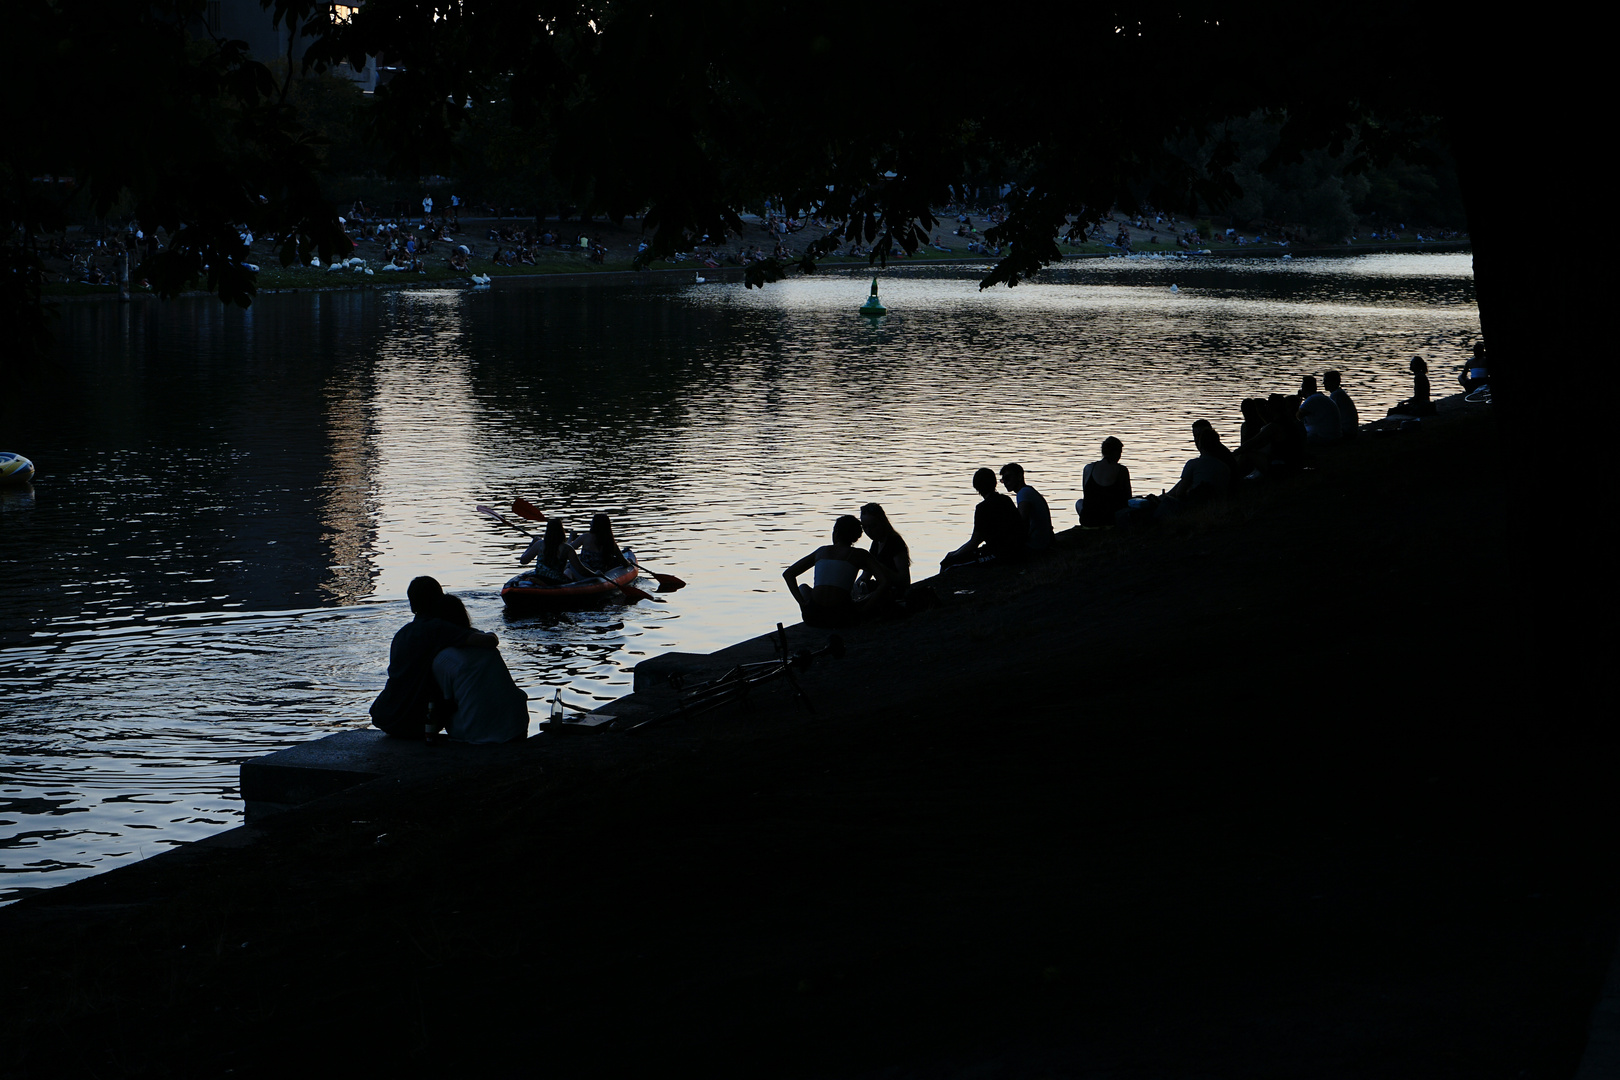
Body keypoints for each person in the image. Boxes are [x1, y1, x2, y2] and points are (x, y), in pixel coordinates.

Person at [369, 576, 498, 739]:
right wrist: (488, 634)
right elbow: (488, 642)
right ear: (440, 600)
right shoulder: (439, 629)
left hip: (385, 715)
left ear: (411, 605)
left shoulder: (401, 634)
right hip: (418, 721)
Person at [430, 595, 528, 743]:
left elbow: (447, 703)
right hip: (517, 725)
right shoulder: (484, 641)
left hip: (478, 733)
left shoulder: (443, 659)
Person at [783, 515, 893, 626]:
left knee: (803, 587)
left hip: (812, 616)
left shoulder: (821, 551)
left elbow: (788, 574)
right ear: (856, 537)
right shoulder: (860, 555)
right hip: (842, 617)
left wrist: (802, 604)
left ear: (835, 534)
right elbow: (885, 582)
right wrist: (864, 609)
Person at [941, 468, 1026, 569]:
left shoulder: (983, 508)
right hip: (1017, 549)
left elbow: (975, 542)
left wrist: (954, 555)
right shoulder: (1006, 500)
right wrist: (955, 552)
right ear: (994, 484)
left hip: (1001, 554)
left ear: (977, 488)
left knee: (948, 564)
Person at [1161, 421, 1234, 512]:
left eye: (1200, 436)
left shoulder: (1200, 462)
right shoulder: (1218, 461)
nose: (1197, 440)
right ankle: (1163, 497)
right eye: (1195, 436)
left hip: (1199, 504)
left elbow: (1181, 492)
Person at [856, 502, 910, 599]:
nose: (868, 532)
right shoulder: (876, 543)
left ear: (882, 523)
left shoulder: (895, 542)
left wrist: (878, 566)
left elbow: (904, 581)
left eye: (872, 526)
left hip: (895, 593)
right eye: (865, 527)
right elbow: (866, 574)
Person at [1075, 437, 1131, 527]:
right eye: (1120, 453)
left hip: (1088, 520)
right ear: (1116, 453)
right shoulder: (1122, 470)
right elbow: (1128, 497)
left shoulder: (1088, 468)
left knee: (1079, 502)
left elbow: (1086, 496)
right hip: (1111, 519)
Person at [1000, 463, 1053, 552]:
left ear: (1019, 477)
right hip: (1043, 541)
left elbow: (1021, 520)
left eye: (1008, 478)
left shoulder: (1023, 493)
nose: (1005, 482)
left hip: (1036, 544)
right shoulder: (1028, 491)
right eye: (1003, 480)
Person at [567, 513, 626, 579]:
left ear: (594, 525)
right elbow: (624, 562)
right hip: (599, 572)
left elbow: (567, 548)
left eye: (592, 522)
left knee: (569, 566)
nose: (590, 523)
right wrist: (630, 562)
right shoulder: (610, 542)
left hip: (585, 573)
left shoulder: (585, 537)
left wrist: (571, 537)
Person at [519, 518, 574, 582]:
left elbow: (523, 560)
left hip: (539, 578)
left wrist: (532, 544)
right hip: (556, 581)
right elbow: (580, 569)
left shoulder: (539, 544)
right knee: (569, 571)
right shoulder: (567, 548)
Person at [1297, 375, 1343, 444]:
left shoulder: (1312, 399)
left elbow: (1297, 416)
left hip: (1324, 437)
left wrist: (1298, 401)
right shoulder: (1319, 397)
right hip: (1333, 435)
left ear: (1304, 389)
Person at [1324, 370, 1359, 437]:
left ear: (1333, 382)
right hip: (1350, 429)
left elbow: (1329, 415)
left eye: (1326, 381)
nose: (1324, 383)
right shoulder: (1340, 393)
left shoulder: (1336, 395)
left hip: (1346, 431)